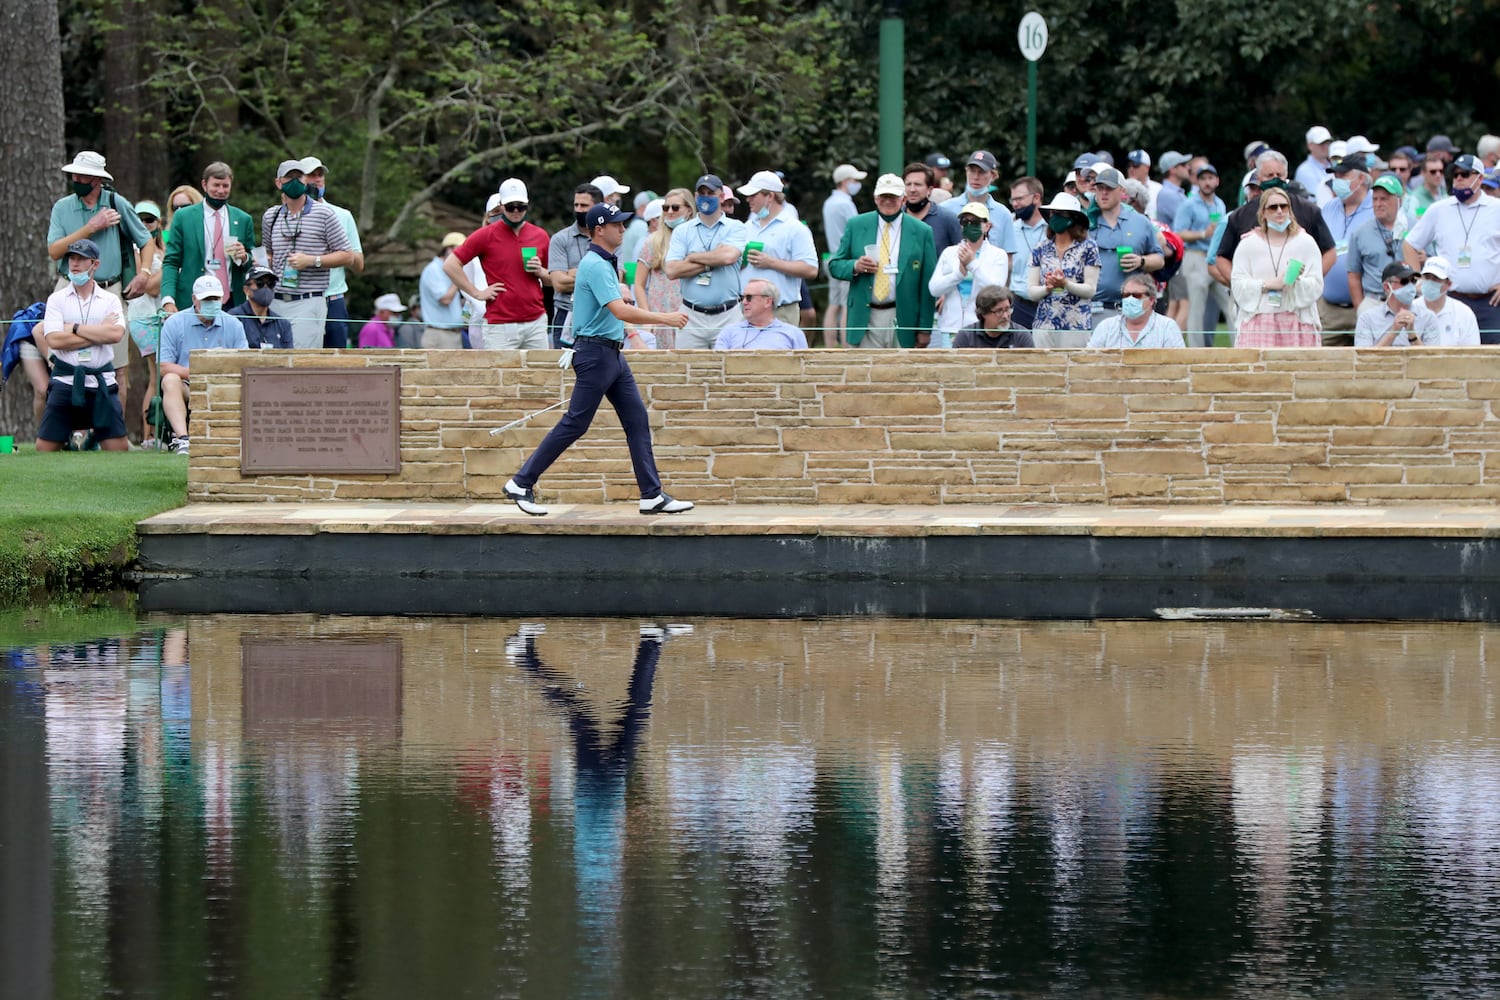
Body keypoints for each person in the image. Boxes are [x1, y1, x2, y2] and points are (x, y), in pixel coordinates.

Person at [500, 202, 692, 517]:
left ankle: (651, 495)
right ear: (599, 230)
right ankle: (521, 482)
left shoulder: (605, 262)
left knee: (637, 421)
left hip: (611, 354)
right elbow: (620, 310)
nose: (623, 228)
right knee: (575, 423)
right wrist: (666, 318)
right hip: (596, 354)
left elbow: (616, 313)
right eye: (617, 224)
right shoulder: (596, 264)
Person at [36, 239, 130, 452]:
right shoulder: (57, 299)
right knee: (43, 449)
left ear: (95, 264)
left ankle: (92, 439)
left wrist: (75, 328)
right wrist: (99, 333)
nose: (75, 264)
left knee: (119, 450)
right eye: (72, 258)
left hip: (102, 383)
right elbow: (54, 340)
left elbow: (115, 334)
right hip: (65, 381)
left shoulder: (110, 300)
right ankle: (72, 440)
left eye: (81, 259)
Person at [825, 173, 936, 349]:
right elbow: (835, 265)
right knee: (865, 372)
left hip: (902, 315)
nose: (888, 201)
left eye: (893, 196)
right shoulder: (856, 225)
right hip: (865, 316)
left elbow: (927, 283)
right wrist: (855, 266)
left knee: (901, 373)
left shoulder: (922, 231)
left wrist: (924, 329)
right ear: (876, 198)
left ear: (904, 199)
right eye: (884, 196)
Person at [1402, 153, 1500, 342]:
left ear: (1480, 178)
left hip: (1490, 302)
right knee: (1449, 358)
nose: (1459, 179)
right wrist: (1418, 279)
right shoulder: (1439, 209)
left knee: (1493, 362)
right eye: (1455, 175)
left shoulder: (1496, 208)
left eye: (1465, 174)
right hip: (1450, 299)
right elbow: (1410, 244)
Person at [445, 178, 552, 350]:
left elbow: (550, 279)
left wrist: (540, 271)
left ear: (527, 204)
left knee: (540, 374)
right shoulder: (485, 235)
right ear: (502, 205)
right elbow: (450, 265)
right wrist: (477, 293)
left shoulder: (540, 235)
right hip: (500, 324)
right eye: (511, 206)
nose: (516, 211)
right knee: (501, 376)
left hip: (535, 321)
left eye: (521, 206)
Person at [261, 159, 354, 348]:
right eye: (289, 177)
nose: (294, 181)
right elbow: (268, 253)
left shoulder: (324, 214)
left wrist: (312, 260)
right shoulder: (271, 216)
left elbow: (347, 255)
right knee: (274, 364)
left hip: (309, 300)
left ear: (305, 181)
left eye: (298, 177)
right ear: (279, 183)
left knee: (301, 365)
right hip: (275, 301)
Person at [1209, 150, 1337, 286]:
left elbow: (1330, 251)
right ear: (1258, 177)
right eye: (1269, 175)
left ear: (1286, 175)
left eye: (1279, 175)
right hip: (1257, 298)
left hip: (1296, 296)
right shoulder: (1240, 215)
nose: (1275, 179)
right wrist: (1242, 287)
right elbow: (1222, 257)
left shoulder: (1309, 210)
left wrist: (1310, 283)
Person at [156, 275, 249, 453]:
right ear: (194, 299)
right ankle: (183, 439)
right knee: (169, 380)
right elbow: (163, 366)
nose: (212, 303)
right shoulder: (175, 323)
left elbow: (244, 362)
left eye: (215, 299)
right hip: (188, 384)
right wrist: (195, 372)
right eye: (206, 299)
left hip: (224, 385)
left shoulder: (234, 324)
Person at [47, 151, 151, 300]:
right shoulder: (61, 207)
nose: (76, 179)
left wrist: (144, 273)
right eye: (74, 174)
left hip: (109, 289)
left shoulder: (116, 203)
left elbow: (146, 240)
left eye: (82, 175)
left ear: (97, 179)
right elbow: (54, 251)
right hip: (68, 286)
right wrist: (91, 228)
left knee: (115, 324)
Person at [1230, 187, 1324, 347]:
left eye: (1284, 206)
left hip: (1297, 320)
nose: (1279, 211)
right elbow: (1237, 285)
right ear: (1263, 213)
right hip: (1259, 320)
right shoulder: (1248, 244)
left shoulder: (1306, 242)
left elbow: (1317, 284)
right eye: (1273, 207)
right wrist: (1267, 285)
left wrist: (1295, 282)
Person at [664, 173, 749, 349]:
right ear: (695, 196)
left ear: (721, 196)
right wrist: (713, 258)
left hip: (728, 314)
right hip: (691, 315)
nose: (706, 197)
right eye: (702, 193)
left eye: (711, 193)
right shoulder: (682, 231)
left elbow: (728, 257)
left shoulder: (736, 227)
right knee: (691, 372)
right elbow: (672, 270)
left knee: (729, 372)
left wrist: (692, 257)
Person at [160, 162, 255, 317]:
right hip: (193, 300)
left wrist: (244, 257)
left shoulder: (243, 219)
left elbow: (252, 261)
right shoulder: (183, 217)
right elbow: (171, 261)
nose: (221, 191)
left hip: (231, 301)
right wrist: (168, 299)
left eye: (225, 186)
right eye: (216, 185)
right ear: (204, 185)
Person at [737, 170, 818, 330]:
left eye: (753, 195)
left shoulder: (795, 228)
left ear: (770, 196)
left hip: (781, 312)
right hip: (746, 310)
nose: (748, 199)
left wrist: (771, 262)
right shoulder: (745, 228)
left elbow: (810, 269)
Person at [299, 157, 366, 348]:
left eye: (320, 175)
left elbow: (359, 265)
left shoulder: (342, 215)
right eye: (312, 175)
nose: (318, 179)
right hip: (301, 299)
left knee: (337, 364)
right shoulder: (288, 214)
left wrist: (340, 254)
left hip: (333, 300)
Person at [1087, 166, 1164, 327]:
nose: (1103, 193)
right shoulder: (1087, 223)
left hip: (1133, 307)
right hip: (1094, 308)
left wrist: (1141, 261)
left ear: (1122, 191)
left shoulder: (1140, 221)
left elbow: (1159, 259)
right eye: (1100, 188)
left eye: (1109, 188)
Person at [929, 202, 1008, 348]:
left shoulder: (998, 255)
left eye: (975, 222)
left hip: (982, 328)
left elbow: (997, 290)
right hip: (951, 328)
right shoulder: (950, 252)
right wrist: (958, 274)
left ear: (987, 226)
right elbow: (934, 288)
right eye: (965, 222)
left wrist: (972, 264)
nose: (969, 225)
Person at [1025, 192, 1100, 348]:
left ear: (1072, 218)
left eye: (1061, 214)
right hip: (1044, 323)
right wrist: (1048, 287)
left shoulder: (1088, 247)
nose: (1055, 217)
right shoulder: (1040, 248)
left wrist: (1065, 283)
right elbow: (1031, 291)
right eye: (1053, 213)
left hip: (1076, 324)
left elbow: (1090, 289)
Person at [1316, 157, 1375, 343]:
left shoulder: (1378, 207)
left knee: (1368, 366)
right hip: (1329, 309)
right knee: (1324, 367)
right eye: (1335, 176)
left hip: (1367, 307)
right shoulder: (1328, 208)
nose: (1337, 181)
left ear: (1361, 179)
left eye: (1343, 176)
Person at [1173, 163, 1231, 346]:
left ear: (1217, 181)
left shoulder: (1220, 203)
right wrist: (1203, 233)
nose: (1207, 182)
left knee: (1231, 307)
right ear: (1197, 182)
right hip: (1195, 256)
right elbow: (1178, 233)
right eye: (1203, 179)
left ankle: (1240, 346)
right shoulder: (1188, 205)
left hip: (1215, 258)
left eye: (1210, 178)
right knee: (1196, 310)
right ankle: (1196, 353)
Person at [548, 183, 604, 348]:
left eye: (584, 205)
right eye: (576, 205)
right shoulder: (560, 239)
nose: (579, 209)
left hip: (599, 315)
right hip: (566, 313)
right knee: (564, 372)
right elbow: (558, 283)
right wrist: (594, 276)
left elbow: (615, 278)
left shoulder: (610, 237)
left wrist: (574, 274)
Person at [634, 187, 690, 349]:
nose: (670, 212)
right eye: (666, 208)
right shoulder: (653, 241)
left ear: (689, 210)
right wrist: (648, 317)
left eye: (675, 207)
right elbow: (638, 284)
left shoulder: (697, 239)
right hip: (660, 316)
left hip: (690, 315)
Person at [941, 150, 1020, 266]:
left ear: (993, 175)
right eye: (972, 171)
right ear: (966, 172)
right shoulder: (946, 208)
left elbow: (1008, 260)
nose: (976, 177)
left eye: (982, 172)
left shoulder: (1003, 214)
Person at [127, 199, 166, 426]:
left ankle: (156, 433)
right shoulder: (134, 248)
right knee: (156, 375)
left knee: (159, 376)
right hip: (144, 316)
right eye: (139, 220)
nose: (144, 224)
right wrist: (172, 262)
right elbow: (150, 287)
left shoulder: (165, 248)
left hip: (163, 314)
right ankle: (149, 434)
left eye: (149, 220)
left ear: (158, 223)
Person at [1347, 175, 1408, 318]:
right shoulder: (1360, 233)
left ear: (1399, 201)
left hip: (1407, 300)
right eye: (1375, 199)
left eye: (1384, 199)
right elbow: (1353, 275)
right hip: (1374, 301)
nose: (1378, 204)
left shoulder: (1415, 228)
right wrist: (1360, 307)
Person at [821, 164, 866, 347]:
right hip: (846, 260)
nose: (857, 184)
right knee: (847, 304)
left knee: (834, 304)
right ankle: (847, 347)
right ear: (845, 181)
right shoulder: (845, 204)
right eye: (855, 180)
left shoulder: (829, 202)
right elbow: (858, 231)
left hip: (831, 257)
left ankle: (830, 348)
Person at [1087, 273, 1186, 348]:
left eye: (1136, 295)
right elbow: (1089, 360)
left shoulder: (1167, 327)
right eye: (1126, 295)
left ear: (1151, 300)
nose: (1130, 299)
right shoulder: (1106, 327)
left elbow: (1179, 364)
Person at [715, 279, 809, 349]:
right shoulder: (729, 332)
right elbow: (719, 366)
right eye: (742, 297)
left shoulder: (793, 333)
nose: (744, 302)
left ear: (768, 302)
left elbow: (803, 368)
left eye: (749, 297)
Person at [1410, 256, 1482, 345]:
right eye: (1427, 277)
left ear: (1449, 284)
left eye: (1436, 279)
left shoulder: (1463, 313)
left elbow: (1472, 352)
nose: (1430, 282)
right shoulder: (1410, 309)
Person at [1354, 262, 1427, 347]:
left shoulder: (1427, 316)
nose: (1410, 286)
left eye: (1413, 281)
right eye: (1404, 281)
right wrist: (1392, 334)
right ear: (1387, 287)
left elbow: (1434, 358)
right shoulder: (1367, 318)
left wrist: (1412, 335)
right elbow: (1364, 358)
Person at [1007, 176, 1047, 330]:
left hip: (1048, 303)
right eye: (1013, 200)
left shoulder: (1054, 229)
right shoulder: (1010, 229)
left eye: (1019, 199)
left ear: (1036, 197)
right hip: (1018, 304)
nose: (1015, 204)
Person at [225, 265, 293, 349]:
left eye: (271, 284)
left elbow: (289, 357)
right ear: (246, 290)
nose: (266, 288)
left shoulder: (282, 324)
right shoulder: (234, 318)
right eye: (260, 284)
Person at [902, 162, 960, 257]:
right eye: (908, 184)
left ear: (929, 189)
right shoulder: (896, 218)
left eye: (918, 184)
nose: (912, 189)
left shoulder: (948, 219)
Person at [420, 232, 467, 347]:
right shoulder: (433, 270)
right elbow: (445, 299)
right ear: (448, 249)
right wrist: (458, 277)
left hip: (453, 334)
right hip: (439, 335)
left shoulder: (447, 271)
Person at [952, 286, 1033, 348]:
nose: (1005, 316)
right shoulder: (966, 336)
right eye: (999, 311)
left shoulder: (1021, 335)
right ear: (984, 313)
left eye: (1007, 309)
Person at [1155, 151, 1193, 228]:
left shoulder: (1173, 193)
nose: (1188, 167)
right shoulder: (1168, 194)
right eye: (1183, 165)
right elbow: (1190, 221)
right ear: (1173, 170)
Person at [1295, 126, 1334, 198]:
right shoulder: (1304, 171)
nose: (1325, 146)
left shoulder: (1333, 166)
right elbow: (1316, 200)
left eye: (1327, 143)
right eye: (1321, 143)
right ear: (1310, 146)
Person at [1126, 149, 1162, 221]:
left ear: (1147, 168)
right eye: (1129, 165)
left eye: (1135, 165)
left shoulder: (1159, 190)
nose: (1131, 169)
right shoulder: (1120, 189)